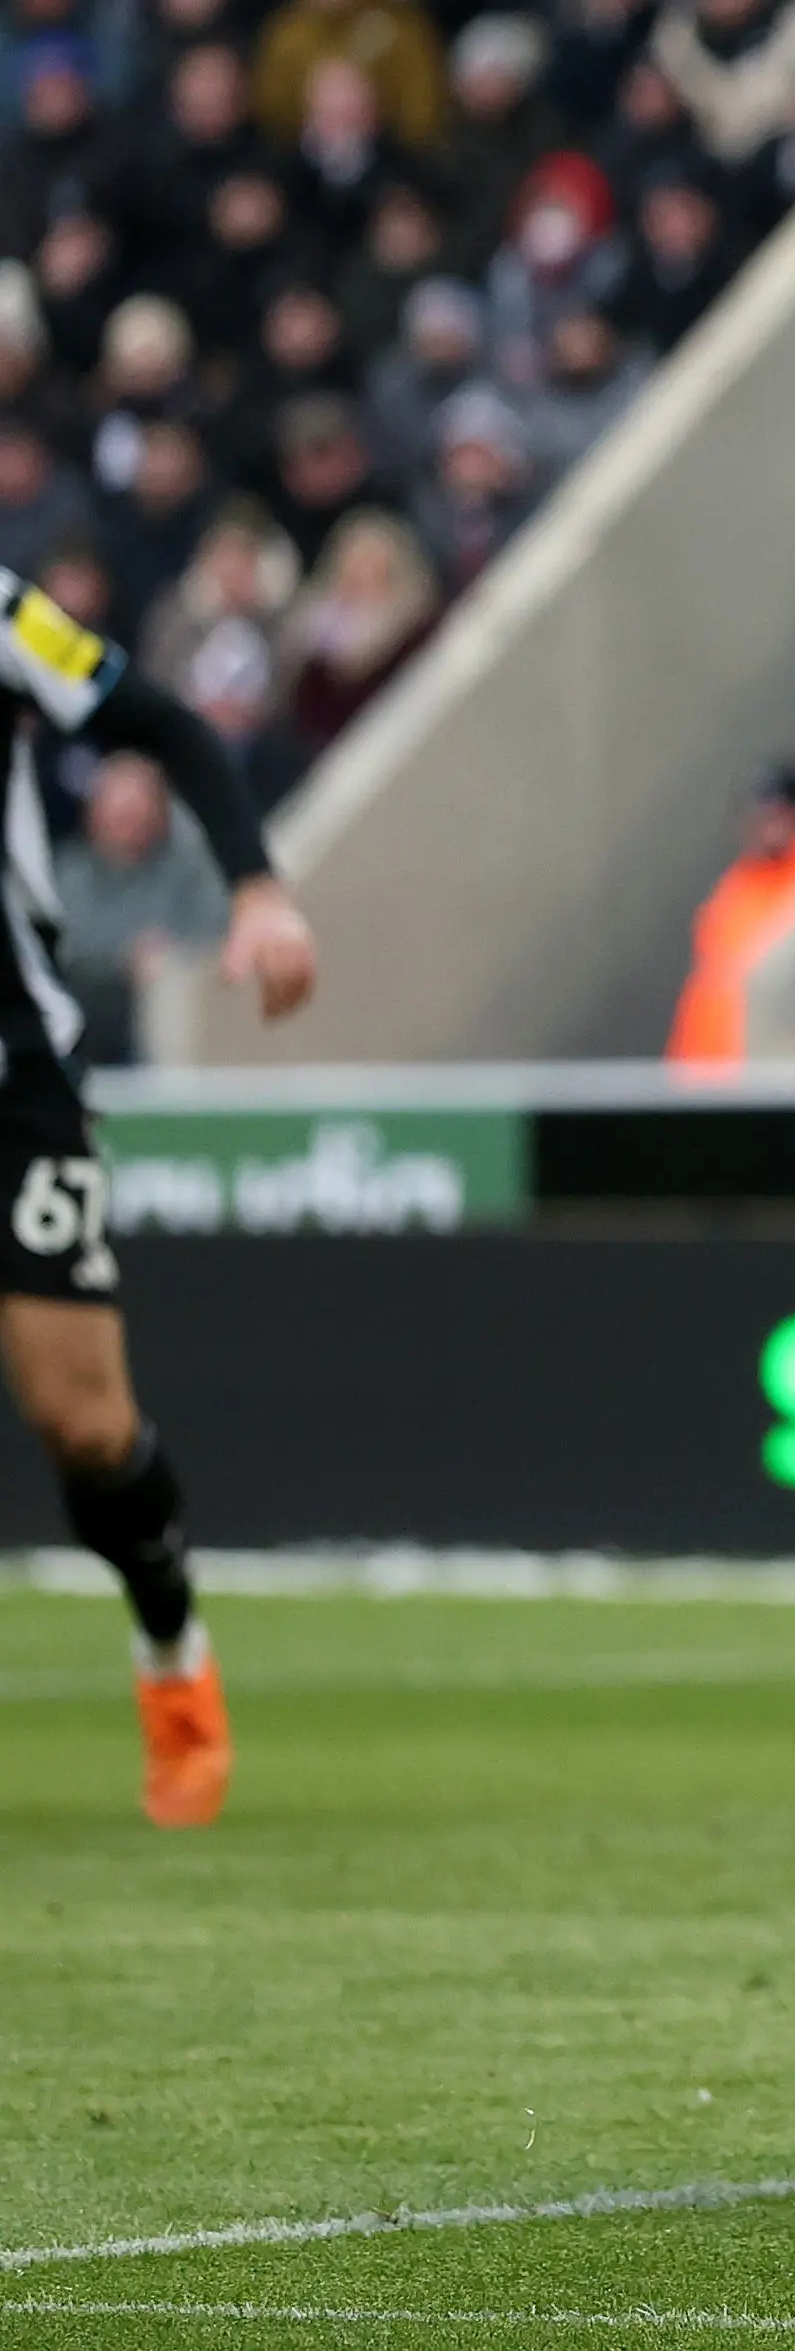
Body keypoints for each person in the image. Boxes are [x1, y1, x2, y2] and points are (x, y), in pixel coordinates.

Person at [0, 554, 316, 1829]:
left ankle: (171, 1642)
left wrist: (257, 887)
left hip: (15, 1078)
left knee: (84, 1425)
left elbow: (166, 723)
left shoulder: (2, 613)